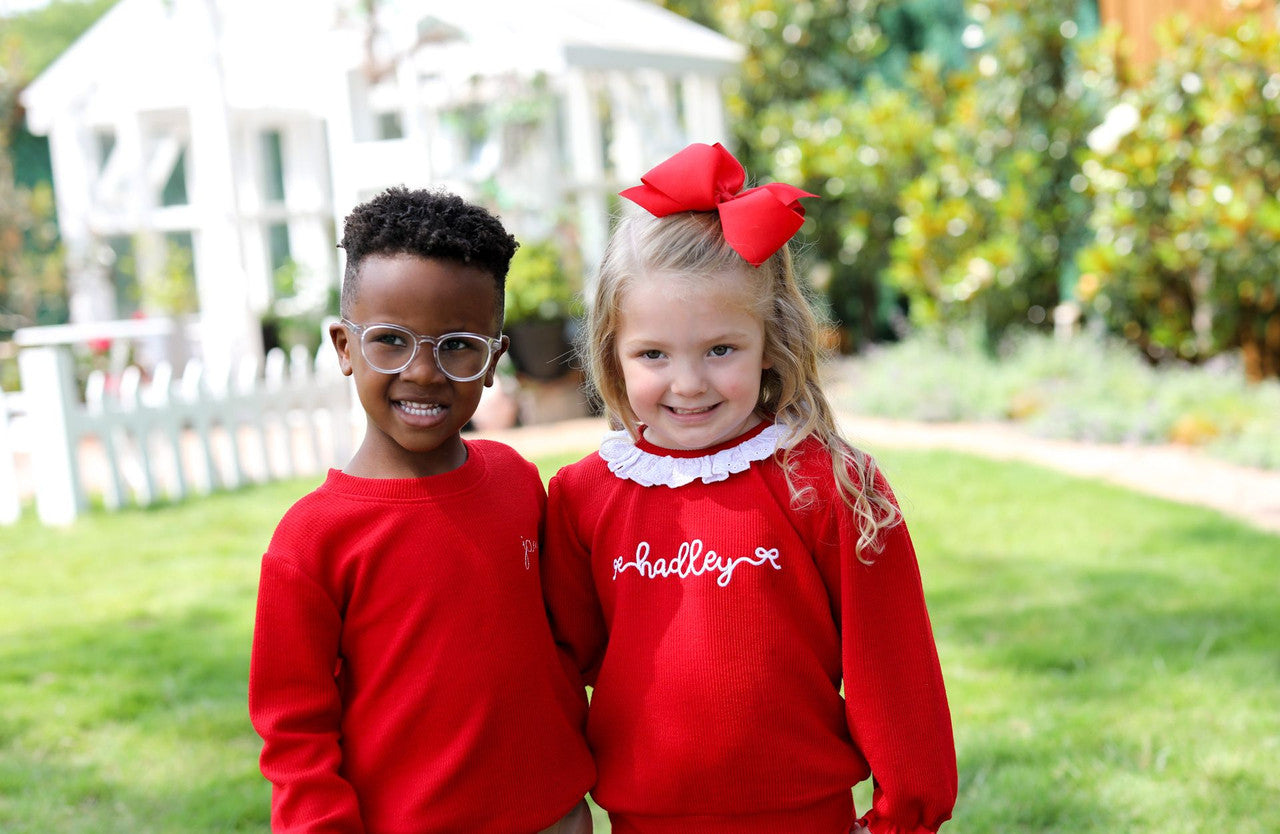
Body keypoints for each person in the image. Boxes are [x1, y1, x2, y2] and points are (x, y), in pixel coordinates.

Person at [542, 143, 956, 834]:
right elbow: (563, 664)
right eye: (653, 354)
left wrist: (901, 815)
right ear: (611, 349)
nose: (688, 383)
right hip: (644, 821)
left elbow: (894, 666)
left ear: (772, 338)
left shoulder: (830, 483)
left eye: (720, 350)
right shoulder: (582, 496)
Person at [249, 186, 595, 833]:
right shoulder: (311, 540)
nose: (425, 372)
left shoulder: (519, 484)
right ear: (345, 348)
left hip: (555, 813)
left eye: (458, 344)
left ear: (495, 359)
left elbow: (570, 639)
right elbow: (293, 732)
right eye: (390, 340)